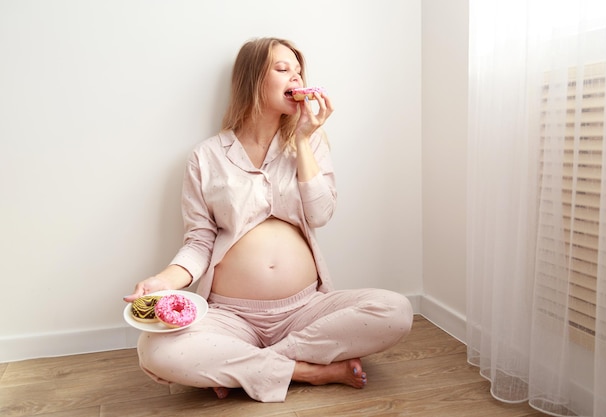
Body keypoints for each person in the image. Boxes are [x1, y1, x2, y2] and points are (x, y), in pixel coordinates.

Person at [124, 37, 413, 403]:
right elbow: (199, 242)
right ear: (252, 79)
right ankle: (309, 371)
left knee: (396, 311)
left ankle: (247, 368)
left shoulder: (311, 143)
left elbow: (320, 214)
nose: (296, 77)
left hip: (306, 310)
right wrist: (160, 282)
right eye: (282, 69)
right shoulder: (207, 156)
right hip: (230, 315)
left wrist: (305, 140)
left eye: (298, 70)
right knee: (155, 350)